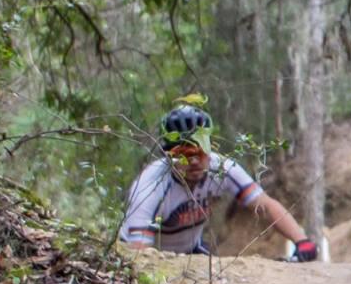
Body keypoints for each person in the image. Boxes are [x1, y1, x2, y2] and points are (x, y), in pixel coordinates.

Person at [120, 97, 318, 260]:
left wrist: (301, 240)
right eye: (185, 154)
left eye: (201, 152)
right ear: (169, 155)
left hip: (191, 252)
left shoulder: (221, 167)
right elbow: (139, 256)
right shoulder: (150, 186)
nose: (195, 161)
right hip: (152, 255)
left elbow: (264, 205)